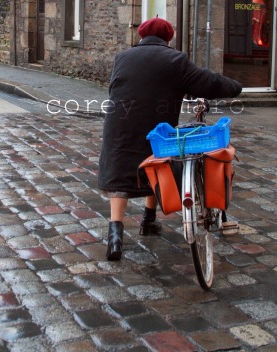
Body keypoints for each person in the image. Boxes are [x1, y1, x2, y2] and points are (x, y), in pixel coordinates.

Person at [98, 17, 243, 261]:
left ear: (141, 36)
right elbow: (207, 83)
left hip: (120, 124)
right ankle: (148, 220)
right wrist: (235, 87)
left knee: (119, 175)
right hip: (157, 125)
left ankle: (115, 237)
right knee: (157, 162)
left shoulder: (122, 57)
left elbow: (116, 88)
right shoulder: (175, 59)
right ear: (169, 38)